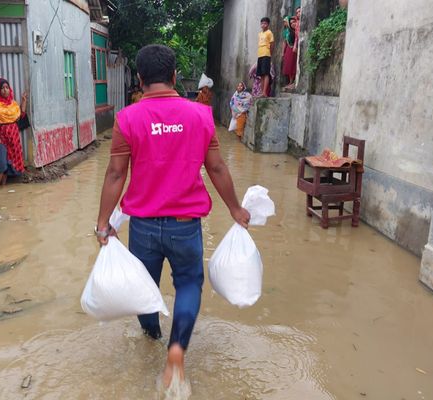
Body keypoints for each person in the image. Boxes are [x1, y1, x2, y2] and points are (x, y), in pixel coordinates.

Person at [95, 44, 250, 389]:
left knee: (143, 288)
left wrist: (103, 222)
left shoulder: (127, 118)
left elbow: (116, 174)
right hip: (185, 228)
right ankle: (176, 348)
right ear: (175, 76)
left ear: (139, 79)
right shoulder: (200, 115)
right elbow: (217, 168)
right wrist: (236, 209)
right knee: (190, 285)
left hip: (144, 228)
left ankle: (151, 337)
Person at [0, 78, 27, 187]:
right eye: (2, 88)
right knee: (0, 164)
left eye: (7, 88)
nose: (5, 90)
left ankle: (3, 187)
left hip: (12, 137)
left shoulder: (12, 103)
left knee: (8, 163)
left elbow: (20, 116)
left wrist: (24, 101)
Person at [257, 17, 274, 97]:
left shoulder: (269, 33)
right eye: (262, 23)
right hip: (260, 55)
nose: (263, 25)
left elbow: (272, 45)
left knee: (266, 73)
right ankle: (261, 92)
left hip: (266, 54)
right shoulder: (260, 34)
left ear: (268, 24)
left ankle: (264, 92)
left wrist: (270, 54)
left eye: (265, 23)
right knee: (261, 74)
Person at [282, 17, 298, 90]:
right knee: (288, 64)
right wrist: (283, 52)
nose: (292, 24)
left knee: (293, 64)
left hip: (293, 49)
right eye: (290, 23)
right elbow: (285, 42)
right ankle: (290, 81)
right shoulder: (287, 31)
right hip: (288, 49)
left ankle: (293, 81)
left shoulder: (296, 31)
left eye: (293, 22)